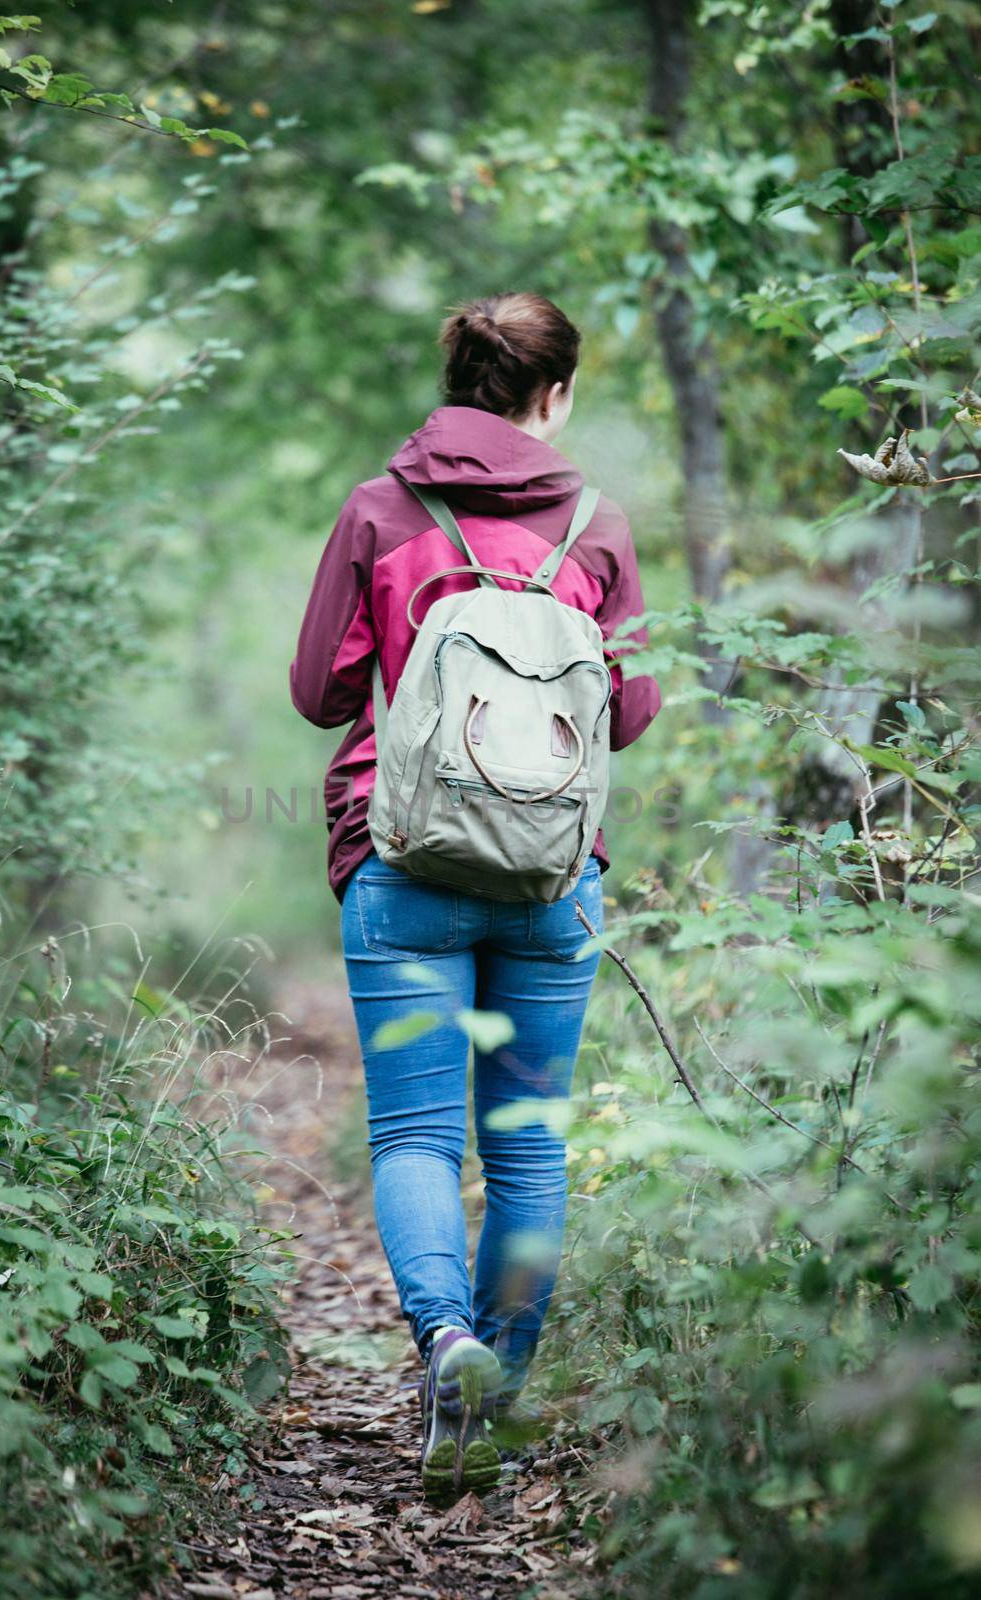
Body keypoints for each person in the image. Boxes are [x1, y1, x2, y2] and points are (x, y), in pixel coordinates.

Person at [290, 292, 660, 1497]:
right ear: (554, 392)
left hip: (400, 863)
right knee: (526, 1145)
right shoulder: (595, 523)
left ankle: (443, 1340)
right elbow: (635, 708)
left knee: (410, 1130)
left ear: (456, 375)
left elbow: (320, 691)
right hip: (554, 875)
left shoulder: (379, 508)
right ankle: (493, 1396)